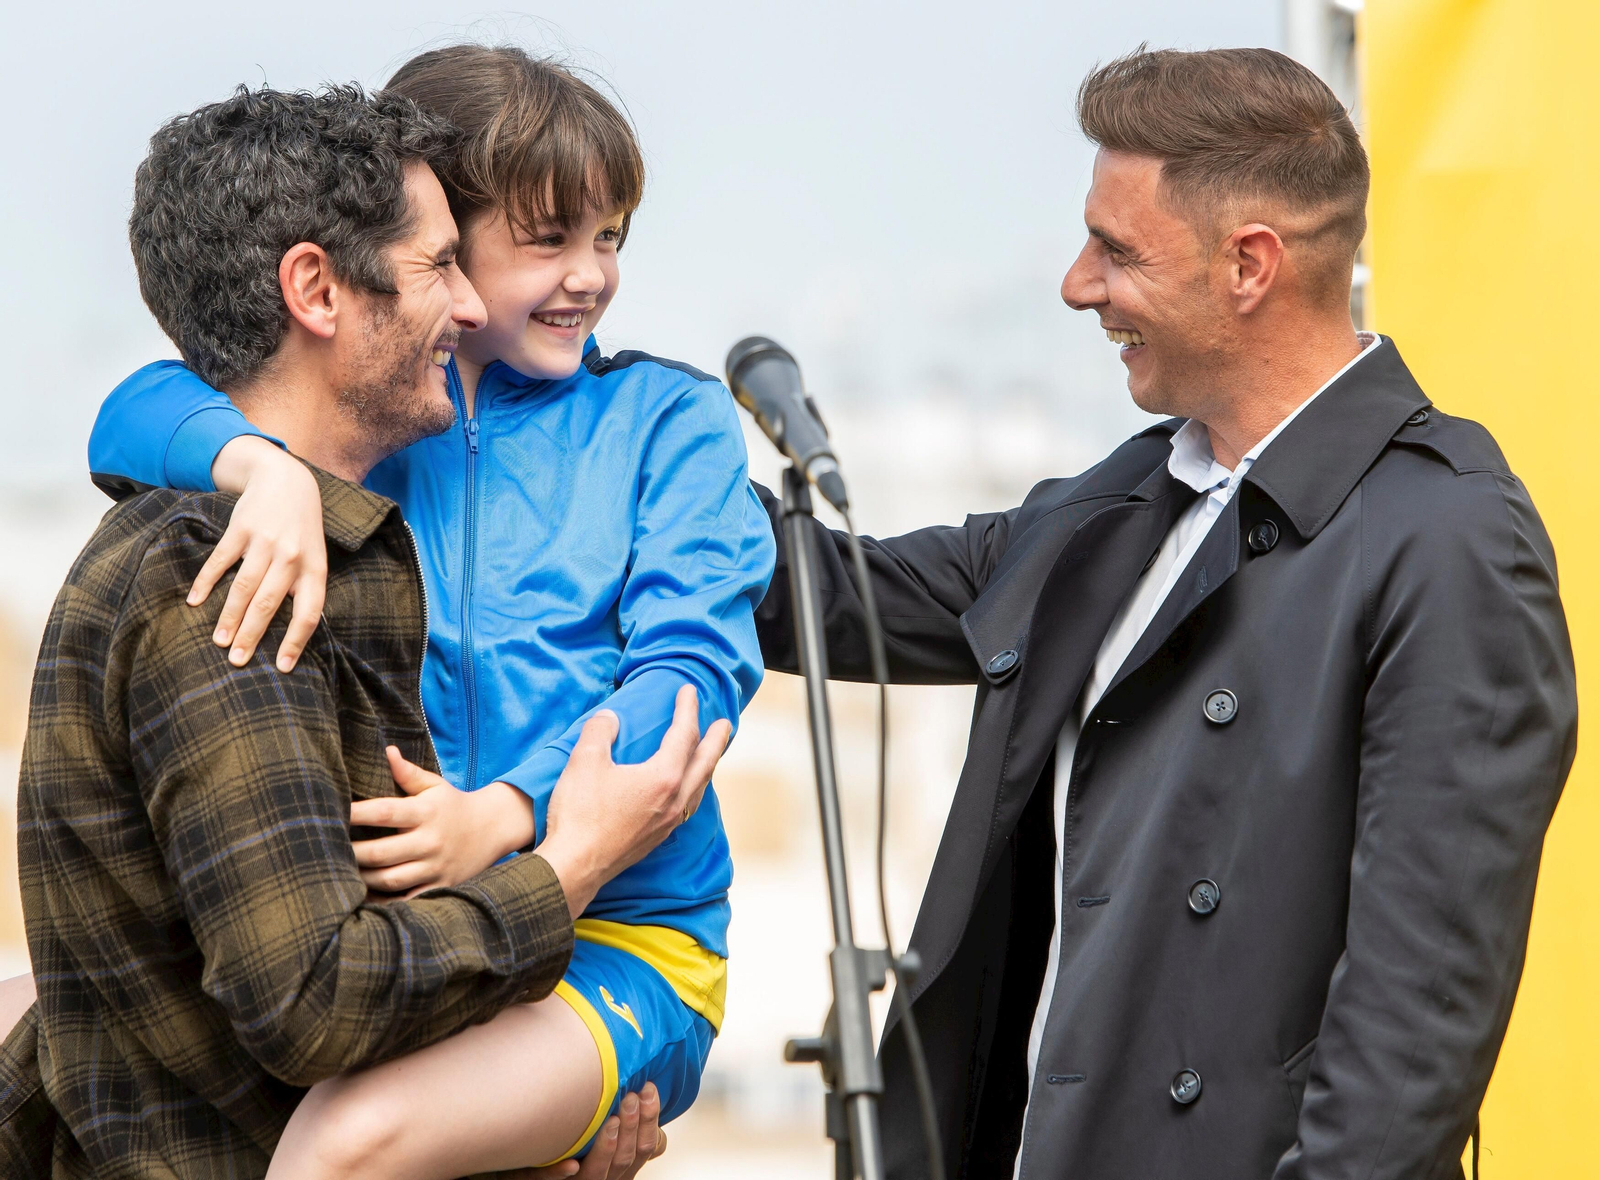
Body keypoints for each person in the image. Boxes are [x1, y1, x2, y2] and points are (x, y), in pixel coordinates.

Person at [754, 48, 1578, 1179]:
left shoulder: (1449, 535)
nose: (1076, 285)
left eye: (1117, 250)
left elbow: (1411, 1042)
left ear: (1249, 264)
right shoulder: (1121, 505)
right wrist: (614, 439)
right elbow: (824, 595)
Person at [0, 85, 726, 1179]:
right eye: (449, 262)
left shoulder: (648, 423)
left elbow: (693, 660)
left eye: (609, 237)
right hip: (475, 932)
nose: (472, 305)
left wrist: (513, 815)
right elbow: (317, 1002)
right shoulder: (247, 558)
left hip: (604, 933)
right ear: (318, 289)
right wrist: (262, 468)